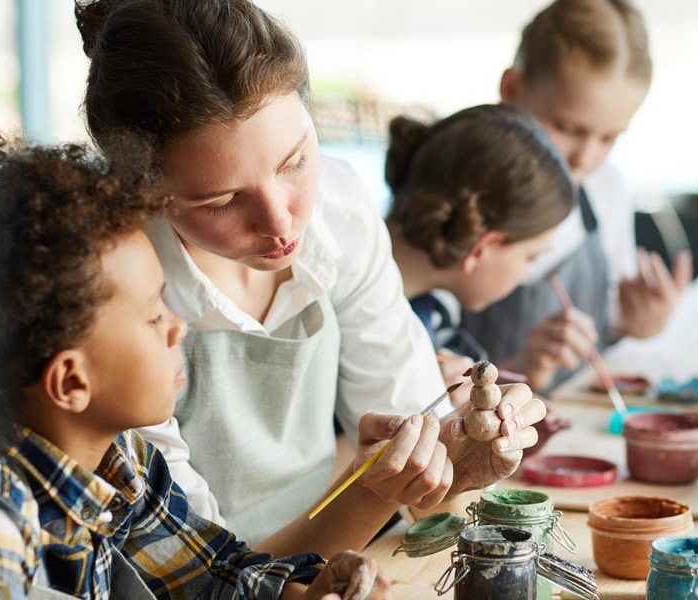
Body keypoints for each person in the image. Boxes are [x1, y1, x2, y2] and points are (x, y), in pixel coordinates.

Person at [75, 0, 546, 558]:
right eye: (221, 201)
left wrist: (457, 460)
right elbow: (197, 573)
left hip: (333, 554)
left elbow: (422, 463)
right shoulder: (110, 288)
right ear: (143, 190)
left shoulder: (339, 212)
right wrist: (373, 492)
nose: (282, 223)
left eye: (295, 161)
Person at [0, 136, 387, 600]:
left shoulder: (121, 459)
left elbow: (213, 580)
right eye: (154, 314)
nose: (178, 327)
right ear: (71, 381)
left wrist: (302, 591)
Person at [463, 0, 693, 391]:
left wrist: (635, 323)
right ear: (512, 90)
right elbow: (416, 379)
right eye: (566, 127)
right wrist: (521, 365)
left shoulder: (606, 188)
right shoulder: (459, 195)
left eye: (609, 137)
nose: (586, 157)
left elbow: (605, 322)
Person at [385, 104, 575, 388]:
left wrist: (522, 367)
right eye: (530, 257)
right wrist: (421, 409)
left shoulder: (430, 311)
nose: (526, 273)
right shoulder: (351, 311)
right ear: (482, 247)